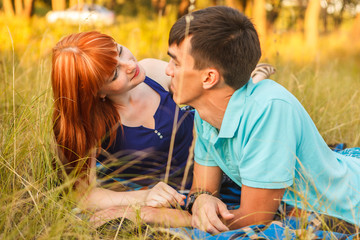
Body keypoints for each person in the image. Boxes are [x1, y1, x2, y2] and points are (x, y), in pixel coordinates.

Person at [165, 6, 360, 234]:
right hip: (294, 206)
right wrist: (201, 201)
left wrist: (165, 217)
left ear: (209, 78)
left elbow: (255, 219)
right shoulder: (204, 113)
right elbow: (203, 189)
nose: (168, 71)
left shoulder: (269, 109)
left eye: (176, 63)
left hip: (344, 208)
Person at [51, 31, 191, 212]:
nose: (131, 65)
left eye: (120, 51)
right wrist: (145, 196)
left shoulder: (154, 72)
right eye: (115, 74)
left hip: (221, 168)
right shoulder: (88, 125)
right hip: (176, 199)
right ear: (96, 91)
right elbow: (82, 196)